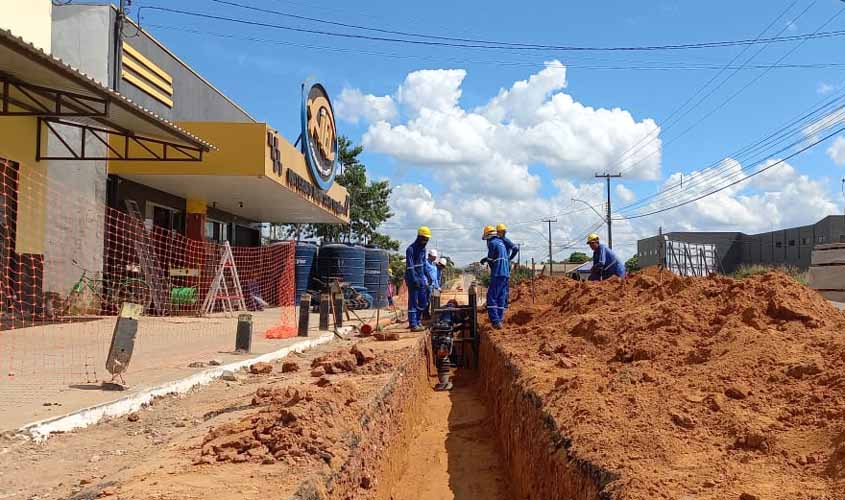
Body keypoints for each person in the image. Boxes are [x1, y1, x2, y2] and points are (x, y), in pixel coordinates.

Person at [480, 225, 509, 329]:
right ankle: (500, 319)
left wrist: (487, 261)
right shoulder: (501, 243)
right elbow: (496, 257)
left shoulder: (492, 243)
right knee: (501, 297)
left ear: (488, 235)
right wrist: (486, 259)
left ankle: (495, 321)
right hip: (505, 273)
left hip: (498, 273)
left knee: (491, 297)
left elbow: (492, 259)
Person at [405, 226, 431, 332]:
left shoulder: (423, 249)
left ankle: (418, 321)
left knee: (423, 302)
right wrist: (414, 279)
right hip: (412, 279)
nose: (426, 241)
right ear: (419, 237)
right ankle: (413, 324)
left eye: (427, 239)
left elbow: (424, 264)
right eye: (424, 238)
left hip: (421, 278)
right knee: (413, 302)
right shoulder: (410, 249)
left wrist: (428, 275)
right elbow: (410, 266)